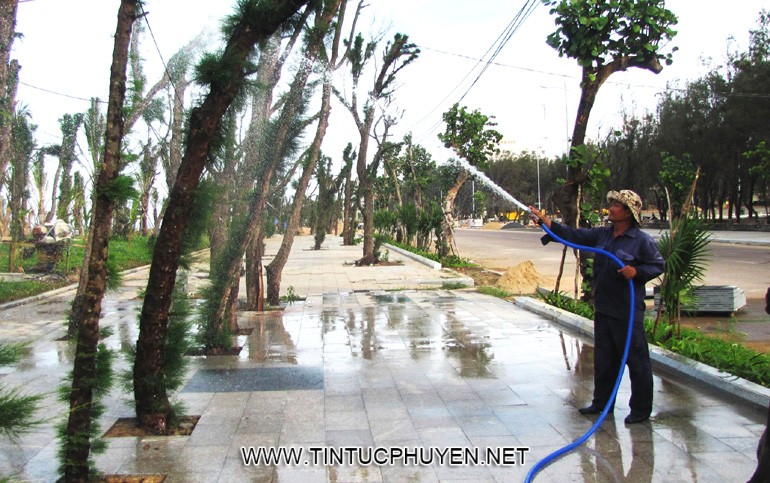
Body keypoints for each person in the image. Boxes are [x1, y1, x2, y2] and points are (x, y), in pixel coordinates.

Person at [529, 190, 665, 424]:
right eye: (611, 204)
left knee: (636, 361)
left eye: (616, 206)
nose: (611, 208)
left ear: (628, 213)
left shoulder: (641, 241)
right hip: (604, 308)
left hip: (627, 311)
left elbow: (658, 265)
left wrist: (637, 272)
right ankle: (602, 404)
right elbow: (574, 236)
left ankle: (640, 410)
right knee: (605, 359)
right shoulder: (603, 235)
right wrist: (547, 222)